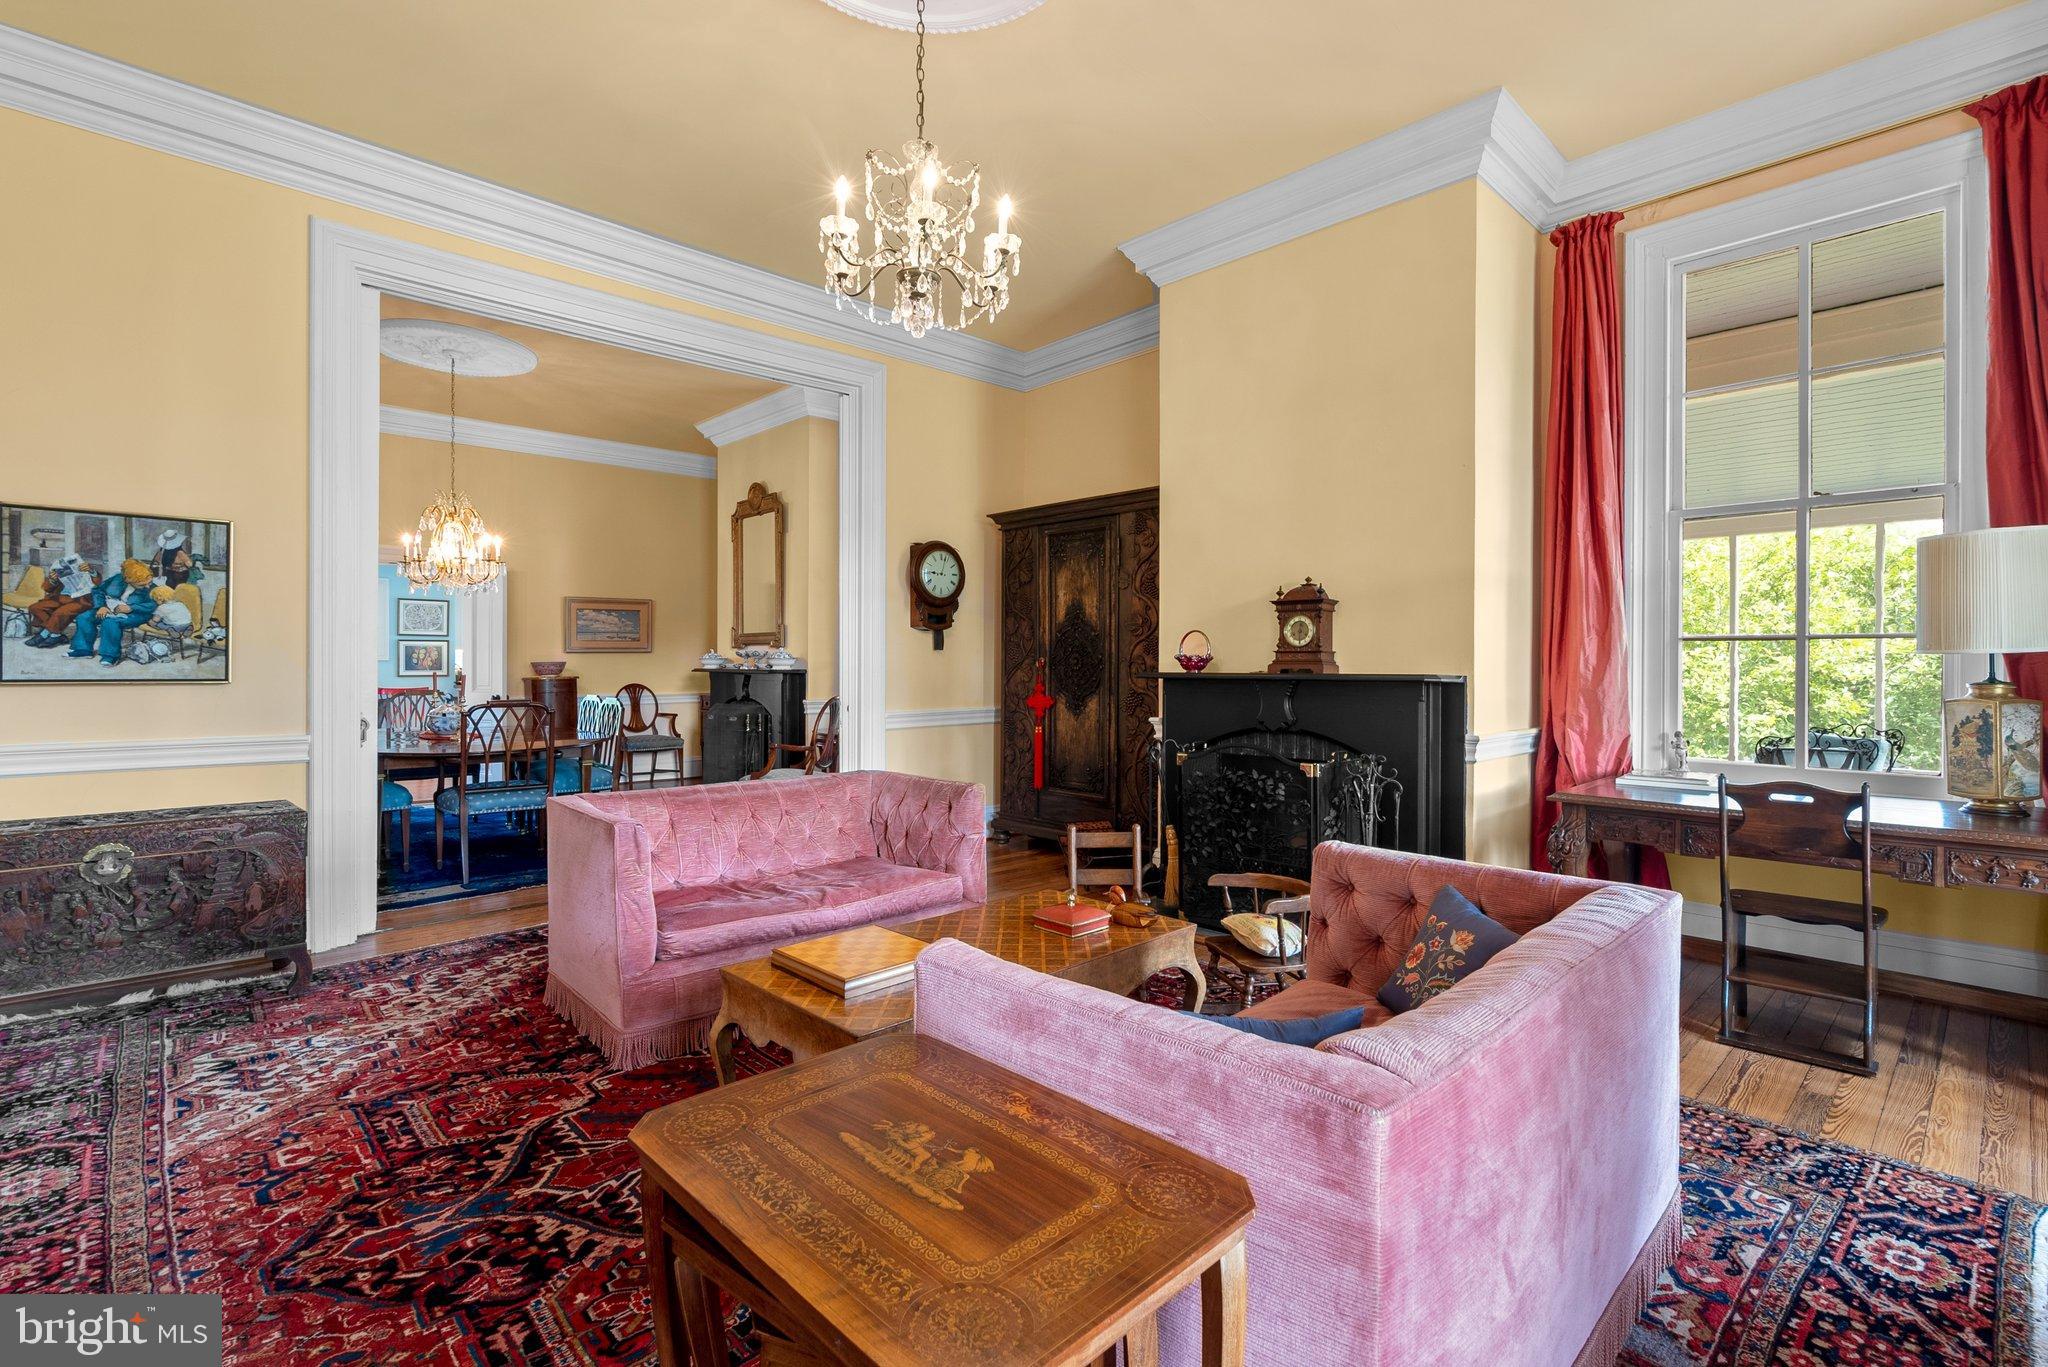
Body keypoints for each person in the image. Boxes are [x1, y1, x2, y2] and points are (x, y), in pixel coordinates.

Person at [68, 558, 158, 668]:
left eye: (149, 582)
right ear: (128, 579)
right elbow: (98, 590)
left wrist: (131, 607)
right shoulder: (117, 579)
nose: (148, 586)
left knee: (110, 622)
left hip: (137, 614)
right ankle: (83, 649)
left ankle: (110, 655)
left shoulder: (152, 588)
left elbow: (154, 604)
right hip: (111, 608)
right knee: (84, 616)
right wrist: (101, 606)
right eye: (142, 584)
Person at [22, 553, 97, 647]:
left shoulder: (87, 570)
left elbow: (98, 583)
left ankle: (44, 634)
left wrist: (92, 571)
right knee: (35, 607)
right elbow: (46, 588)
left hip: (80, 599)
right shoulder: (60, 572)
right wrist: (52, 579)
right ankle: (56, 634)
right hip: (61, 597)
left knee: (60, 612)